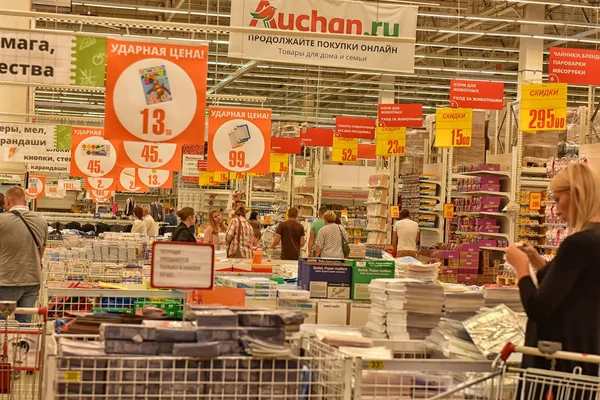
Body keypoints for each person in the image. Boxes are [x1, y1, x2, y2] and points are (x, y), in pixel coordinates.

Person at [506, 163, 600, 377]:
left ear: (576, 194)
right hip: (582, 354)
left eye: (558, 200)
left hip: (555, 361)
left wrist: (521, 267)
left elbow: (539, 307)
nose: (556, 210)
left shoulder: (578, 243)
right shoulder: (594, 239)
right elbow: (571, 286)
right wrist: (536, 260)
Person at [0, 187, 47, 323]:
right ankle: (21, 344)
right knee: (24, 324)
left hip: (6, 281)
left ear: (7, 201)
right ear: (25, 201)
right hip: (32, 281)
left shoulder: (2, 220)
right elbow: (41, 252)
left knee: (2, 324)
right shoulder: (41, 221)